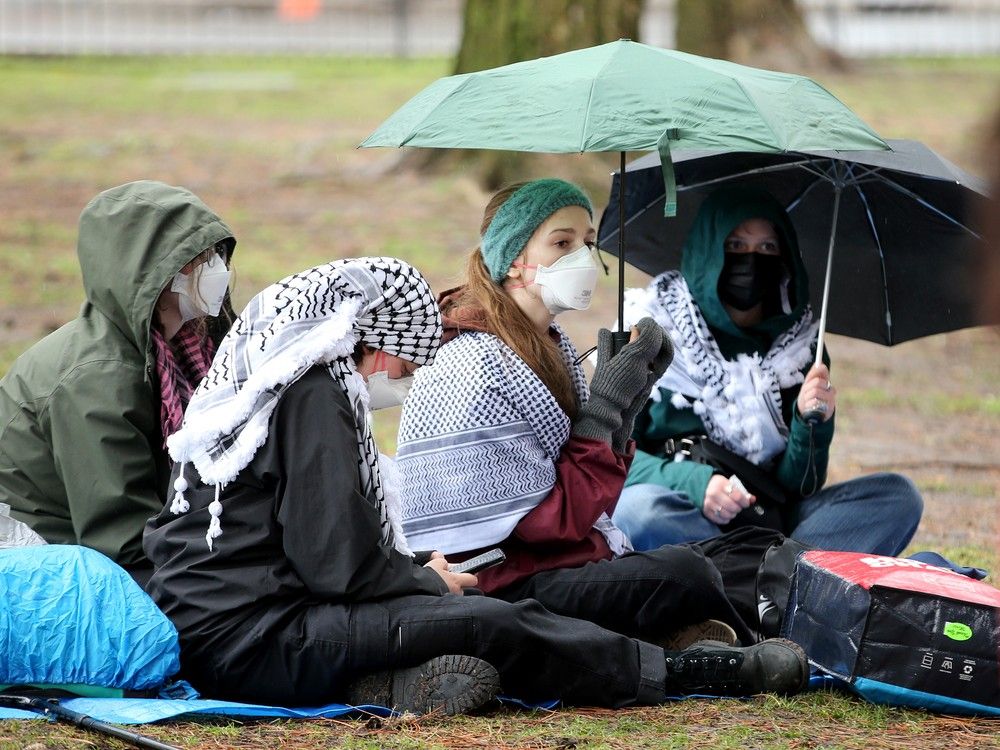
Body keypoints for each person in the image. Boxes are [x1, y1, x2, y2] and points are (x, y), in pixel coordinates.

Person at [144, 256, 807, 716]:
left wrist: (410, 570)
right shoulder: (316, 393)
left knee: (474, 618)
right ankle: (680, 674)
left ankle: (386, 681)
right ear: (374, 344)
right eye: (407, 362)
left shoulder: (288, 381)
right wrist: (426, 583)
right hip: (254, 638)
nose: (405, 381)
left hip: (251, 620)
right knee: (489, 621)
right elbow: (335, 563)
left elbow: (312, 543)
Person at [395, 179, 809, 688]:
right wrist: (606, 407)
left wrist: (627, 403)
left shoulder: (549, 345)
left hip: (556, 561)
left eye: (588, 242)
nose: (583, 257)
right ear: (512, 260)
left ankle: (703, 633)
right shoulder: (477, 364)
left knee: (743, 551)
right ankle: (722, 646)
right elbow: (548, 527)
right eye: (562, 243)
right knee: (687, 573)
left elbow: (587, 503)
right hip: (501, 582)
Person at [611, 186, 923, 555]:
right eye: (736, 245)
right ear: (707, 251)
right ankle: (784, 578)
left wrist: (812, 424)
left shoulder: (800, 347)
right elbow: (611, 460)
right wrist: (696, 484)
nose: (752, 260)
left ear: (786, 255)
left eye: (768, 248)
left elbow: (798, 486)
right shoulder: (652, 330)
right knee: (637, 511)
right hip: (683, 514)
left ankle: (761, 577)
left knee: (897, 496)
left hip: (770, 520)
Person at [0, 180, 235, 583]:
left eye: (215, 254)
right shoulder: (98, 380)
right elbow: (123, 541)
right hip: (43, 567)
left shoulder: (179, 347)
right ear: (150, 277)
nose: (217, 270)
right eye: (198, 259)